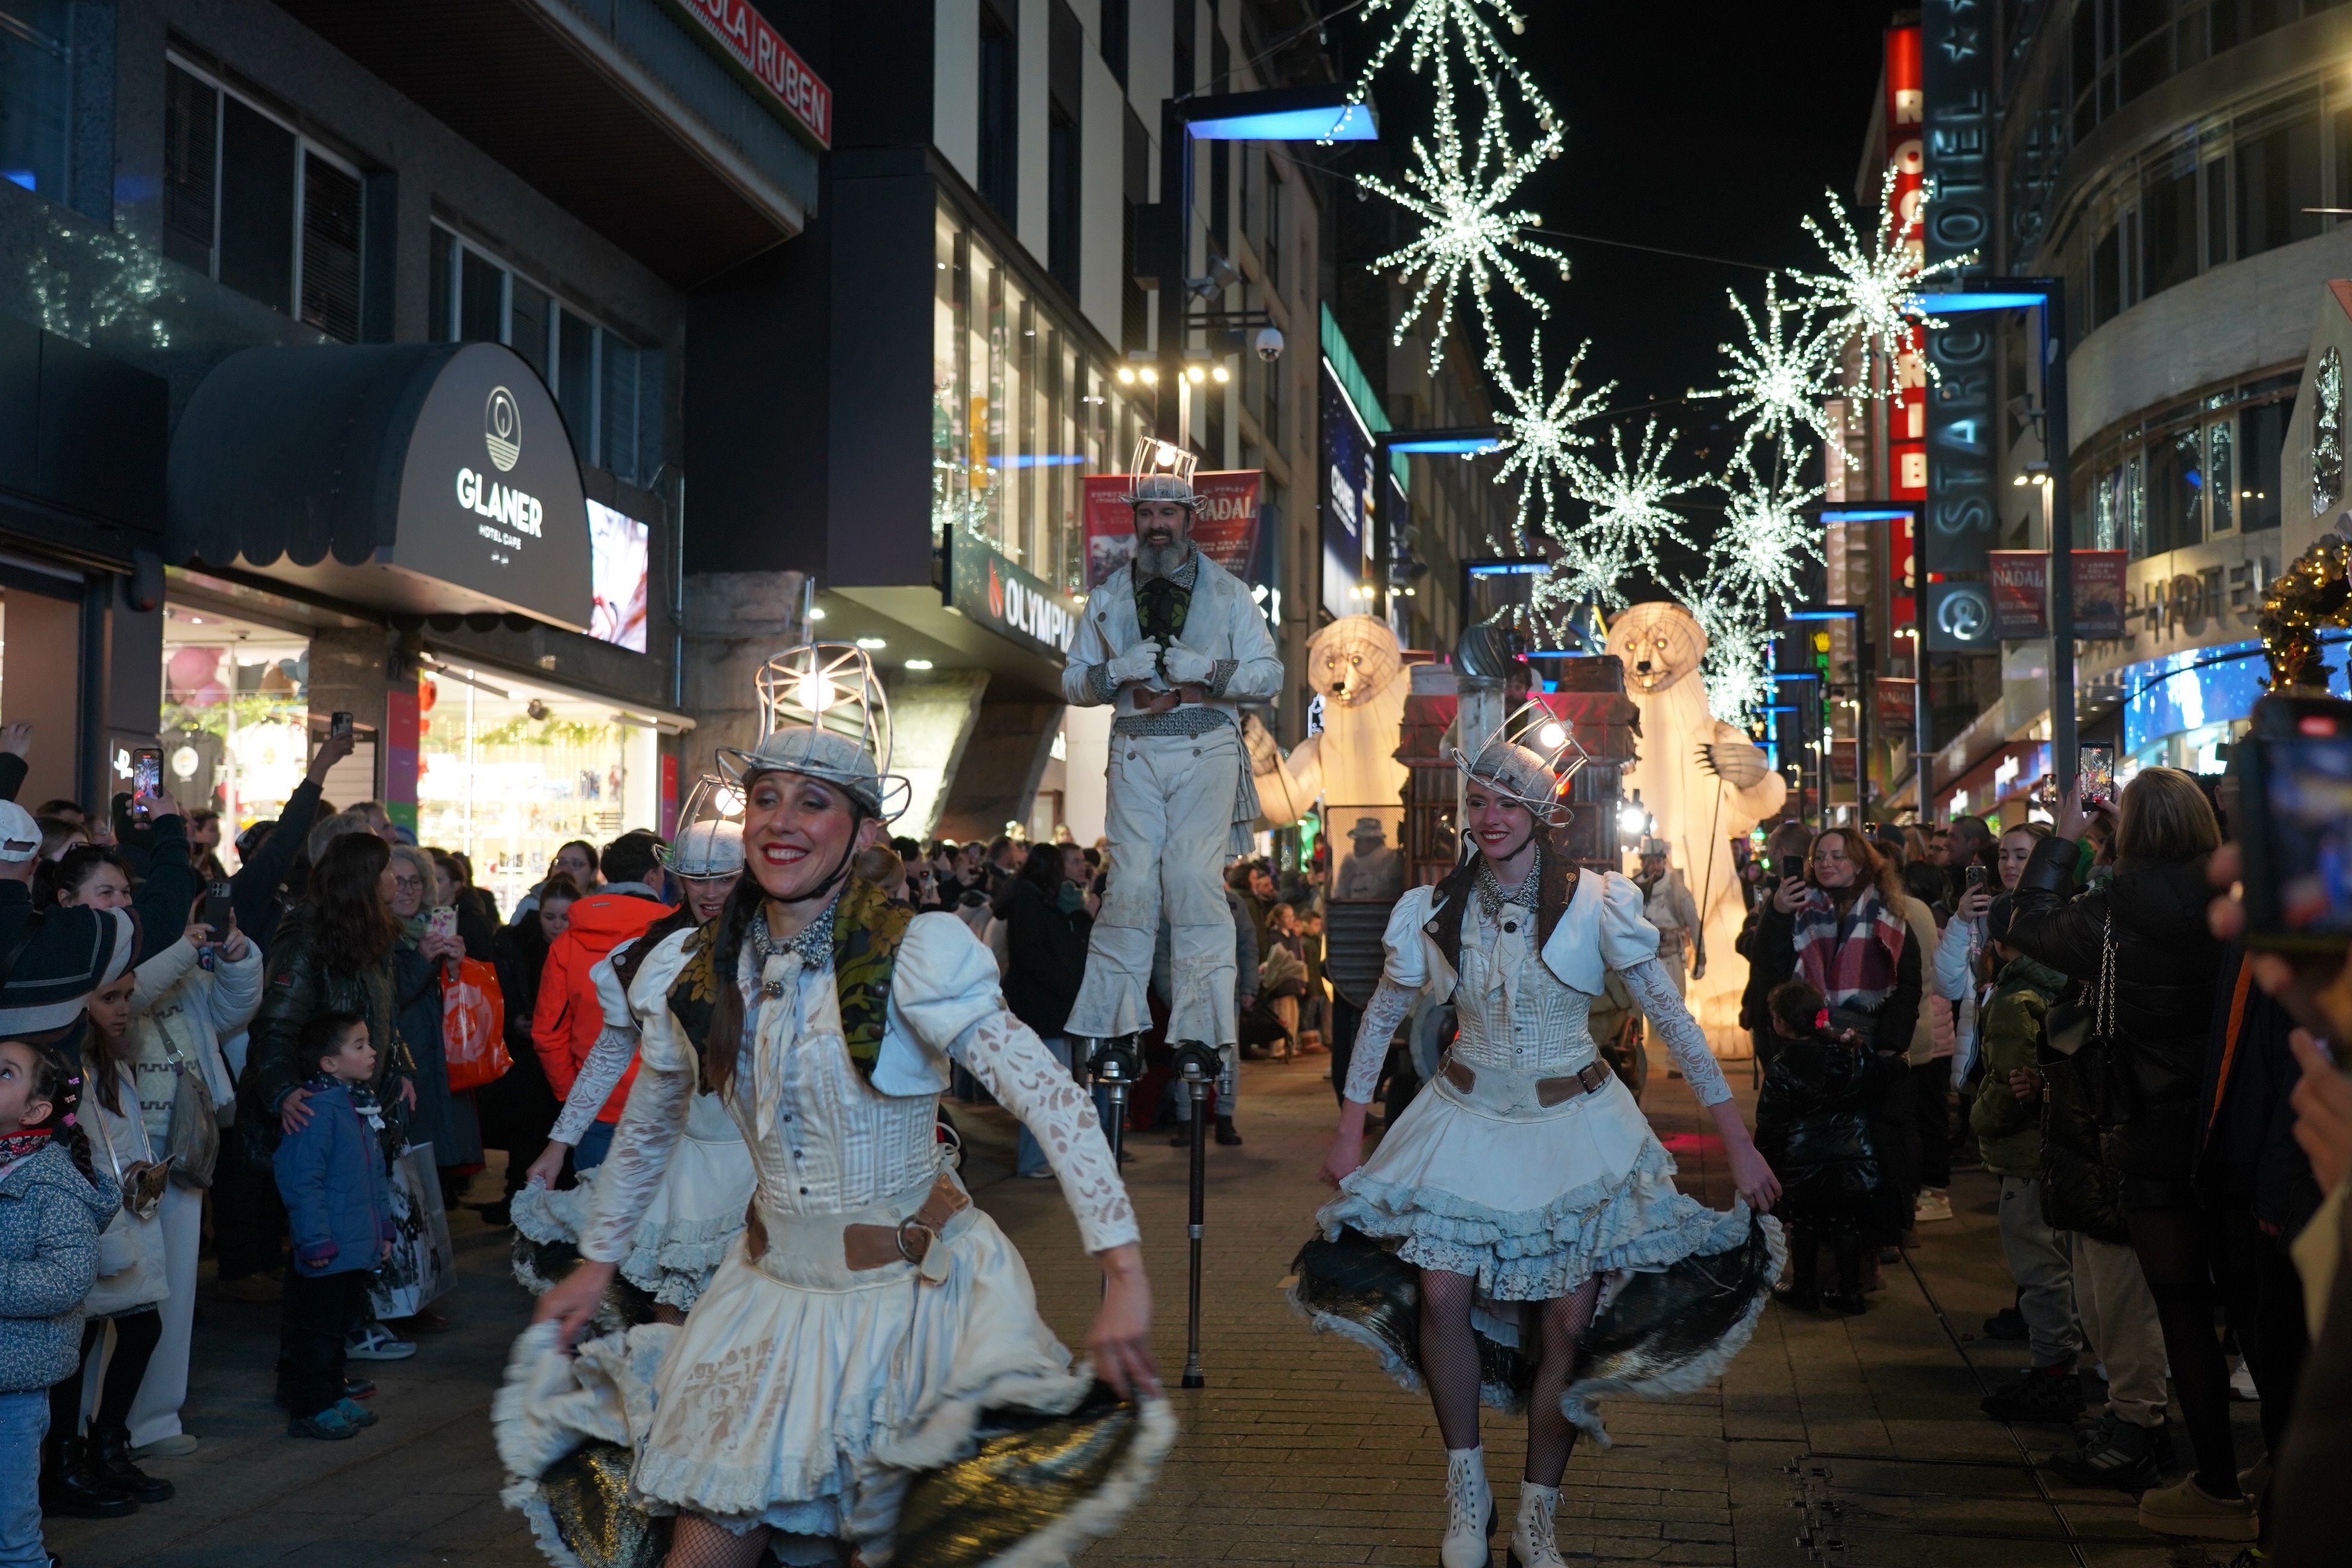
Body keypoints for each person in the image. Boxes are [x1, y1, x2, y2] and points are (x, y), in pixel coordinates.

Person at [508, 644, 1165, 1568]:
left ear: (861, 836)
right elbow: (651, 1127)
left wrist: (1124, 1273)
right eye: (766, 798)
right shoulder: (696, 970)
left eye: (813, 803)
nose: (782, 822)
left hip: (912, 1308)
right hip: (766, 1303)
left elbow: (1054, 1103)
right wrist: (595, 1263)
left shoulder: (920, 951)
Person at [1309, 724, 1781, 1568]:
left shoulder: (1600, 902)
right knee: (1442, 1295)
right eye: (1479, 803)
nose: (1490, 819)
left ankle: (1538, 1516)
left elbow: (1671, 1018)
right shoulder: (1435, 907)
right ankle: (1465, 1491)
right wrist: (1349, 1129)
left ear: (1542, 812)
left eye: (1508, 804)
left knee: (1567, 1323)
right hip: (1463, 1123)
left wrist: (1737, 1144)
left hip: (1577, 1131)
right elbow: (1382, 1015)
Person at [2005, 768, 2248, 1541]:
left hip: (2151, 1127)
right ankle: (2283, 1472)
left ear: (2132, 830)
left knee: (2177, 1309)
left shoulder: (2115, 909)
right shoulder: (2238, 901)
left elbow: (2026, 919)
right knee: (2255, 1312)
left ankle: (2213, 1484)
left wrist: (2067, 837)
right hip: (2238, 1126)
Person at [1060, 467, 1283, 1064]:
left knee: (1190, 879)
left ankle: (1202, 1032)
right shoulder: (1107, 597)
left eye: (1168, 513)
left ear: (1191, 518)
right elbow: (1073, 680)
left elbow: (1270, 673)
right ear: (1135, 519)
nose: (1157, 524)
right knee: (1129, 882)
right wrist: (1116, 671)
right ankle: (1113, 1025)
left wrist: (1208, 670)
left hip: (1205, 744)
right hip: (1133, 745)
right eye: (1147, 514)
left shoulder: (1231, 594)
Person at [514, 819, 749, 1313]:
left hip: (763, 1165)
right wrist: (559, 1146)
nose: (709, 892)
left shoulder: (779, 952)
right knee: (673, 1314)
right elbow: (608, 1055)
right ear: (673, 879)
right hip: (682, 1162)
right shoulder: (645, 955)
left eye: (724, 878)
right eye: (696, 878)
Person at [240, 832, 428, 1365]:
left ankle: (342, 1344)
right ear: (364, 880)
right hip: (323, 1109)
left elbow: (382, 1020)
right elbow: (276, 1026)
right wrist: (283, 1092)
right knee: (324, 1235)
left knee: (360, 1221)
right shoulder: (307, 937)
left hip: (361, 1105)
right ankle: (313, 1369)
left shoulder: (374, 936)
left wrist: (400, 1069)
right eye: (390, 871)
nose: (398, 880)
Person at [1745, 826, 1922, 1291]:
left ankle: (1859, 1273)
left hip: (1866, 1050)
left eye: (1838, 856)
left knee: (1862, 1165)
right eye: (1819, 856)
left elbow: (1907, 985)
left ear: (1861, 862)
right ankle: (1814, 1271)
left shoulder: (1888, 913)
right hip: (1810, 1046)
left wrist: (1888, 1047)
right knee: (1814, 1162)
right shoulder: (1800, 907)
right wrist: (1778, 912)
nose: (1826, 864)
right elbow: (1767, 962)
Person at [117, 898, 260, 1459]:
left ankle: (155, 1417)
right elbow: (136, 996)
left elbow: (234, 1012)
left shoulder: (185, 970)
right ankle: (101, 1424)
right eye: (106, 895)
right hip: (127, 1147)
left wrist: (239, 958)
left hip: (183, 1147)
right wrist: (182, 950)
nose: (117, 905)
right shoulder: (122, 973)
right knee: (122, 1286)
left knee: (174, 1287)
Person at [46, 971, 172, 1514]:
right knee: (82, 1342)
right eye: (110, 998)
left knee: (138, 1327)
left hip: (128, 1218)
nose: (123, 1009)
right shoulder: (69, 1073)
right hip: (92, 1223)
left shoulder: (112, 1065)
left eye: (127, 996)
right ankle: (65, 1463)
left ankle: (103, 1446)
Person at [1964, 897, 2085, 1420]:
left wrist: (1979, 1120)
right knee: (2060, 1265)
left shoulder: (2014, 998)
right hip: (2058, 1148)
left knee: (2040, 1269)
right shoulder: (2065, 981)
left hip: (2025, 1155)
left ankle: (2055, 1374)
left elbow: (2007, 1082)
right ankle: (2057, 1369)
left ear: (2000, 945)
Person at [2, 1038, 115, 1558]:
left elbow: (66, 1280)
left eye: (5, 1073)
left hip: (16, 1381)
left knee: (10, 1517)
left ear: (36, 1110)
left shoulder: (52, 1185)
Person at [272, 1012, 394, 1441]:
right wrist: (315, 1240)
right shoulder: (316, 1112)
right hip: (328, 1249)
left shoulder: (356, 1105)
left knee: (339, 1328)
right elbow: (301, 1180)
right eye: (358, 1045)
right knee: (317, 1333)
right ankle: (309, 1406)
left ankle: (331, 1393)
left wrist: (386, 1229)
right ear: (328, 1062)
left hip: (356, 1245)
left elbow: (375, 1175)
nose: (371, 1052)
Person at [1754, 975, 1907, 1312]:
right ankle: (1850, 1292)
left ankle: (1805, 1287)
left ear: (1782, 1023)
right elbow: (1881, 1082)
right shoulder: (1850, 1054)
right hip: (1855, 1158)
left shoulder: (1784, 1065)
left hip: (1804, 1160)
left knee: (1806, 1223)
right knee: (1846, 1224)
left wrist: (1765, 1166)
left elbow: (1772, 1122)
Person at [530, 836, 673, 1173]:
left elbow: (547, 1034)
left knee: (597, 1218)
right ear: (653, 876)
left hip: (595, 1108)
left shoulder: (567, 942)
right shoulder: (679, 938)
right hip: (666, 1108)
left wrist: (574, 1097)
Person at [478, 874, 580, 1223]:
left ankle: (557, 1205)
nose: (556, 925)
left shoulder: (582, 948)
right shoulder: (517, 944)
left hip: (568, 1057)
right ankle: (522, 1204)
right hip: (527, 1059)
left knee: (561, 1132)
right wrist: (514, 1024)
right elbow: (498, 996)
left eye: (564, 918)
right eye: (549, 917)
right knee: (527, 1134)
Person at [388, 843, 480, 1201]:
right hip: (403, 1065)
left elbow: (457, 1004)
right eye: (398, 881)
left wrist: (456, 968)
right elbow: (388, 1000)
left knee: (430, 1175)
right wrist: (422, 961)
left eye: (416, 882)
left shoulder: (431, 929)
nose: (408, 890)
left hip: (438, 1061)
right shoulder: (375, 936)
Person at [1000, 841, 1093, 1178]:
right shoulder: (1029, 903)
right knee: (1046, 1087)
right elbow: (1033, 955)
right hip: (1042, 1006)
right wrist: (1065, 983)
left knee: (1054, 1085)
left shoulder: (1037, 901)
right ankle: (1035, 1160)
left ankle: (1047, 1157)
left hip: (1051, 1006)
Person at [1632, 837, 1703, 1073]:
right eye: (1649, 861)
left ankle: (1676, 1061)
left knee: (1674, 1011)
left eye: (1658, 860)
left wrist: (1700, 959)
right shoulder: (1631, 889)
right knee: (1635, 1013)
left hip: (1670, 958)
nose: (1654, 866)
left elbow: (1694, 924)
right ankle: (1634, 1058)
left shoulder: (1678, 892)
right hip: (1639, 960)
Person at [508, 840, 601, 927]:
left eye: (576, 864)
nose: (565, 870)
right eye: (560, 863)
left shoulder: (601, 909)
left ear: (593, 873)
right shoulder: (531, 905)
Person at [1334, 816, 1405, 900]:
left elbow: (1381, 890)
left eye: (1359, 841)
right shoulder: (1350, 862)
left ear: (1373, 841)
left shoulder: (1393, 860)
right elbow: (1340, 894)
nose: (1355, 845)